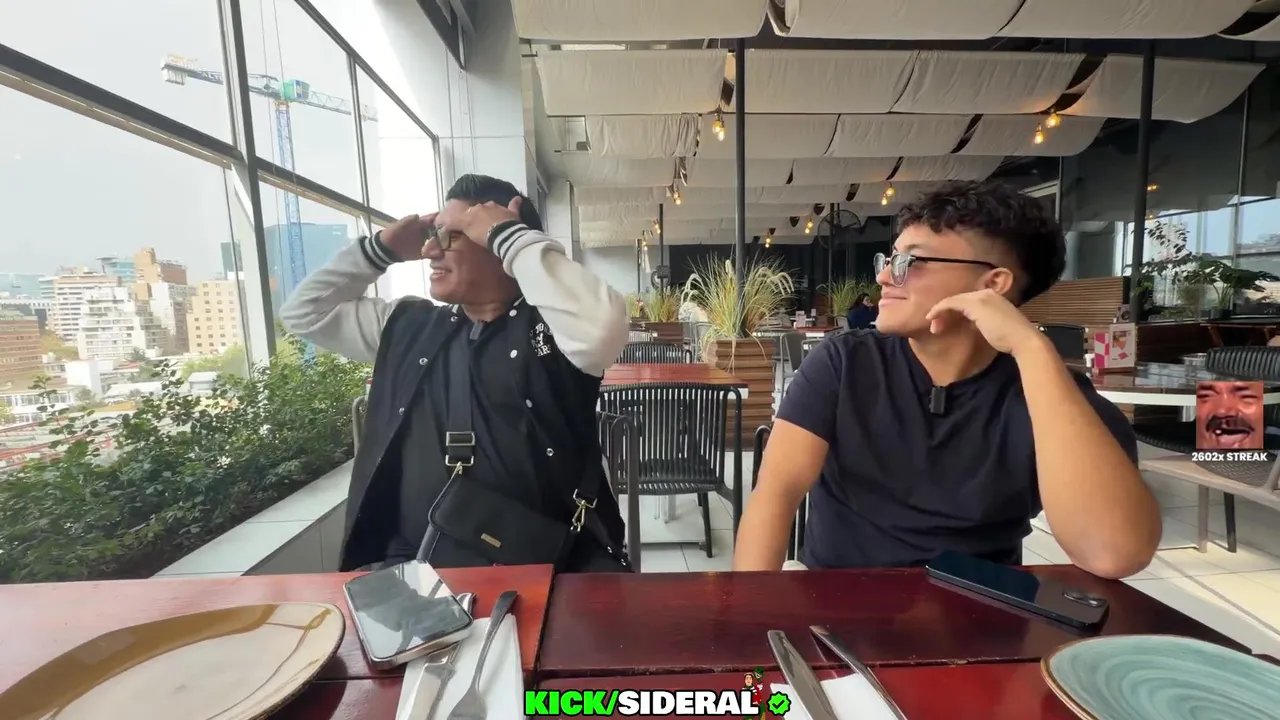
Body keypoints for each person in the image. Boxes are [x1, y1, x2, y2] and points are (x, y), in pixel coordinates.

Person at [733, 180, 1160, 580]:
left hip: (979, 614)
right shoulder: (844, 364)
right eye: (890, 259)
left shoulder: (1051, 393)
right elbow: (776, 494)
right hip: (838, 605)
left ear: (993, 284)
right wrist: (749, 626)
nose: (884, 277)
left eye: (911, 262)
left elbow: (1113, 553)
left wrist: (1031, 349)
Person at [281, 173, 631, 573]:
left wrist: (509, 234)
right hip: (416, 571)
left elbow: (603, 328)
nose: (430, 250)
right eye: (433, 235)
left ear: (498, 241)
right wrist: (380, 250)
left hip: (548, 570)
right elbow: (303, 313)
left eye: (452, 236)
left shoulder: (553, 331)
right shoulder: (408, 327)